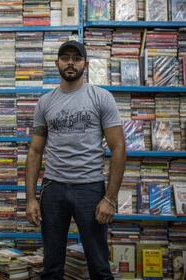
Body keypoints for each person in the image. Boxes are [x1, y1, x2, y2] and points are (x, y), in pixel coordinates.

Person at [25, 41, 126, 280]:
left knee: (99, 266)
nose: (71, 62)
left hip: (89, 189)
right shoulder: (45, 102)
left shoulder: (101, 98)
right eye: (65, 57)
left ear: (85, 64)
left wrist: (110, 199)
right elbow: (35, 152)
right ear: (57, 63)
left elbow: (119, 147)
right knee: (51, 266)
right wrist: (30, 198)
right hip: (53, 188)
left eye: (76, 58)